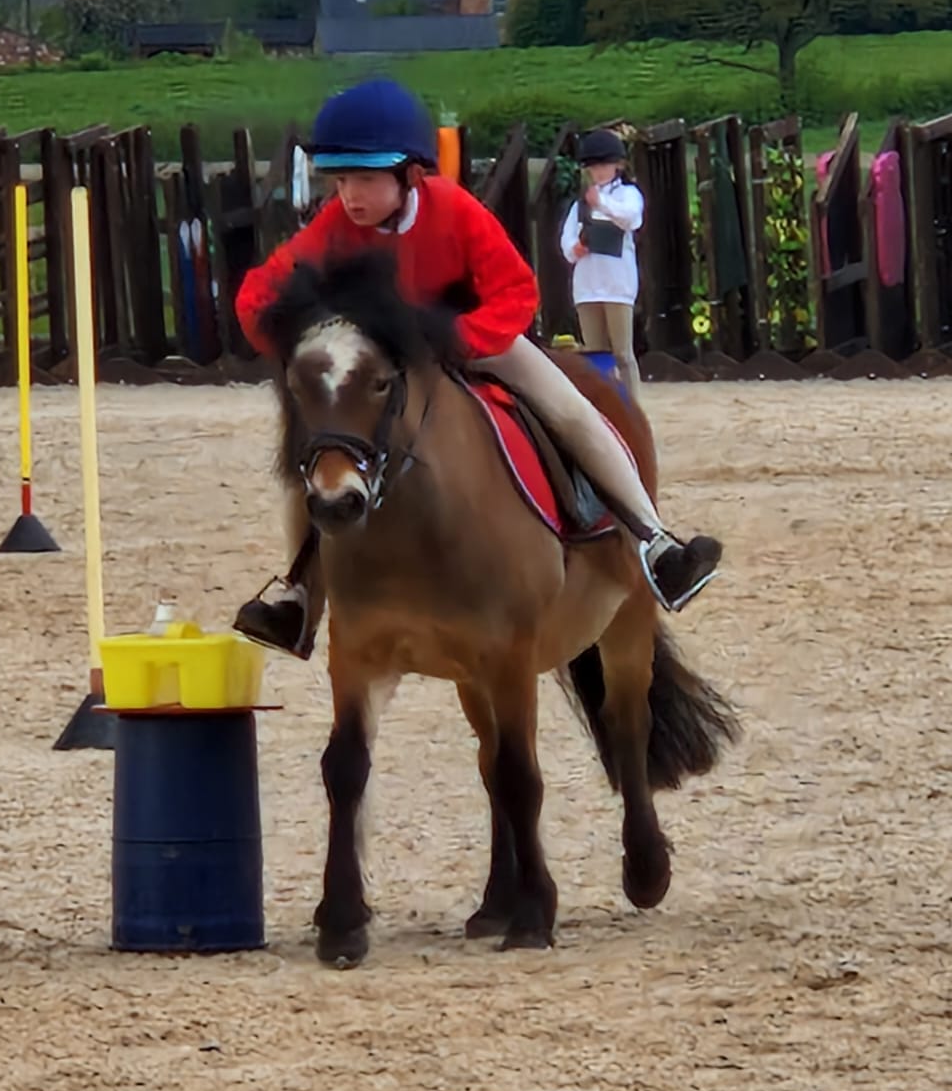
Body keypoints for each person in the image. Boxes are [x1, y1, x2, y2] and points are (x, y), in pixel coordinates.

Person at [232, 79, 721, 658]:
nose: (349, 196)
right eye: (339, 181)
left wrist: (455, 340)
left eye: (364, 179)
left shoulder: (455, 210)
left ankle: (655, 543)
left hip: (477, 338)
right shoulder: (334, 224)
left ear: (411, 175)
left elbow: (517, 292)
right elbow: (257, 293)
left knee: (571, 410)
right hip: (387, 357)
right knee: (320, 449)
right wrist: (296, 332)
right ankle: (298, 598)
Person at [562, 129, 644, 397]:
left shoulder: (628, 194)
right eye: (594, 167)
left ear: (617, 165)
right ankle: (604, 407)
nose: (598, 172)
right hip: (588, 285)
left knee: (622, 353)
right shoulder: (580, 205)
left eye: (603, 166)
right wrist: (575, 248)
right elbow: (567, 240)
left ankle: (632, 407)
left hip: (617, 284)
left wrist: (603, 203)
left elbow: (631, 218)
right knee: (595, 356)